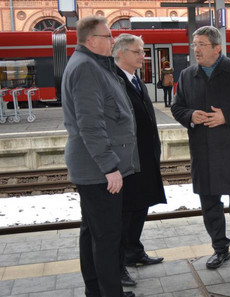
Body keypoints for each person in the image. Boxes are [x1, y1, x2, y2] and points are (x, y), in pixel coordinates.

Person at [171, 26, 230, 279]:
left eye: (201, 44)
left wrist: (226, 116)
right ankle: (220, 249)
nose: (196, 49)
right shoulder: (188, 75)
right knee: (210, 205)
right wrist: (190, 115)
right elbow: (177, 107)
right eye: (194, 44)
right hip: (202, 151)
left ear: (217, 47)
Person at [61, 16, 138, 297]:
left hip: (93, 168)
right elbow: (90, 123)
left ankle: (96, 290)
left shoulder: (91, 64)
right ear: (92, 40)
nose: (113, 40)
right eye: (109, 36)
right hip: (97, 170)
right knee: (106, 237)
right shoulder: (86, 69)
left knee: (92, 232)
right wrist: (110, 167)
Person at [112, 33, 167, 287]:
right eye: (138, 52)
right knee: (126, 211)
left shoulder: (136, 80)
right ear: (121, 53)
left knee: (141, 205)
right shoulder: (114, 81)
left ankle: (134, 251)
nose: (142, 56)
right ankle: (118, 263)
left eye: (143, 51)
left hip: (144, 156)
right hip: (127, 159)